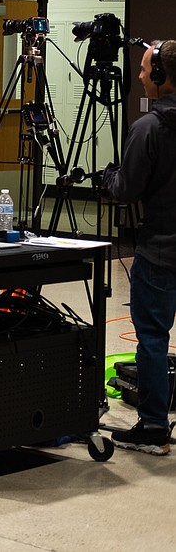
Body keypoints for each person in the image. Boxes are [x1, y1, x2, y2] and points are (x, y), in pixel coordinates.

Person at [101, 39, 176, 455]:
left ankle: (151, 426)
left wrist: (107, 178)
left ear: (161, 77)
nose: (142, 76)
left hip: (159, 252)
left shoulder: (148, 127)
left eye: (147, 69)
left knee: (151, 337)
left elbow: (126, 190)